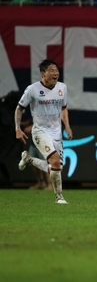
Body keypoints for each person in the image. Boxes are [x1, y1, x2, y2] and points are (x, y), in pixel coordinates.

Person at [15, 59, 73, 204]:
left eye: (56, 70)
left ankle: (29, 160)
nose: (55, 73)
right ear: (43, 73)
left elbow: (64, 108)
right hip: (40, 131)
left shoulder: (62, 88)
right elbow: (19, 108)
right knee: (54, 161)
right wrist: (17, 128)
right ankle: (59, 197)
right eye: (51, 70)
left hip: (56, 132)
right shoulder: (32, 89)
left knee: (56, 168)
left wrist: (67, 125)